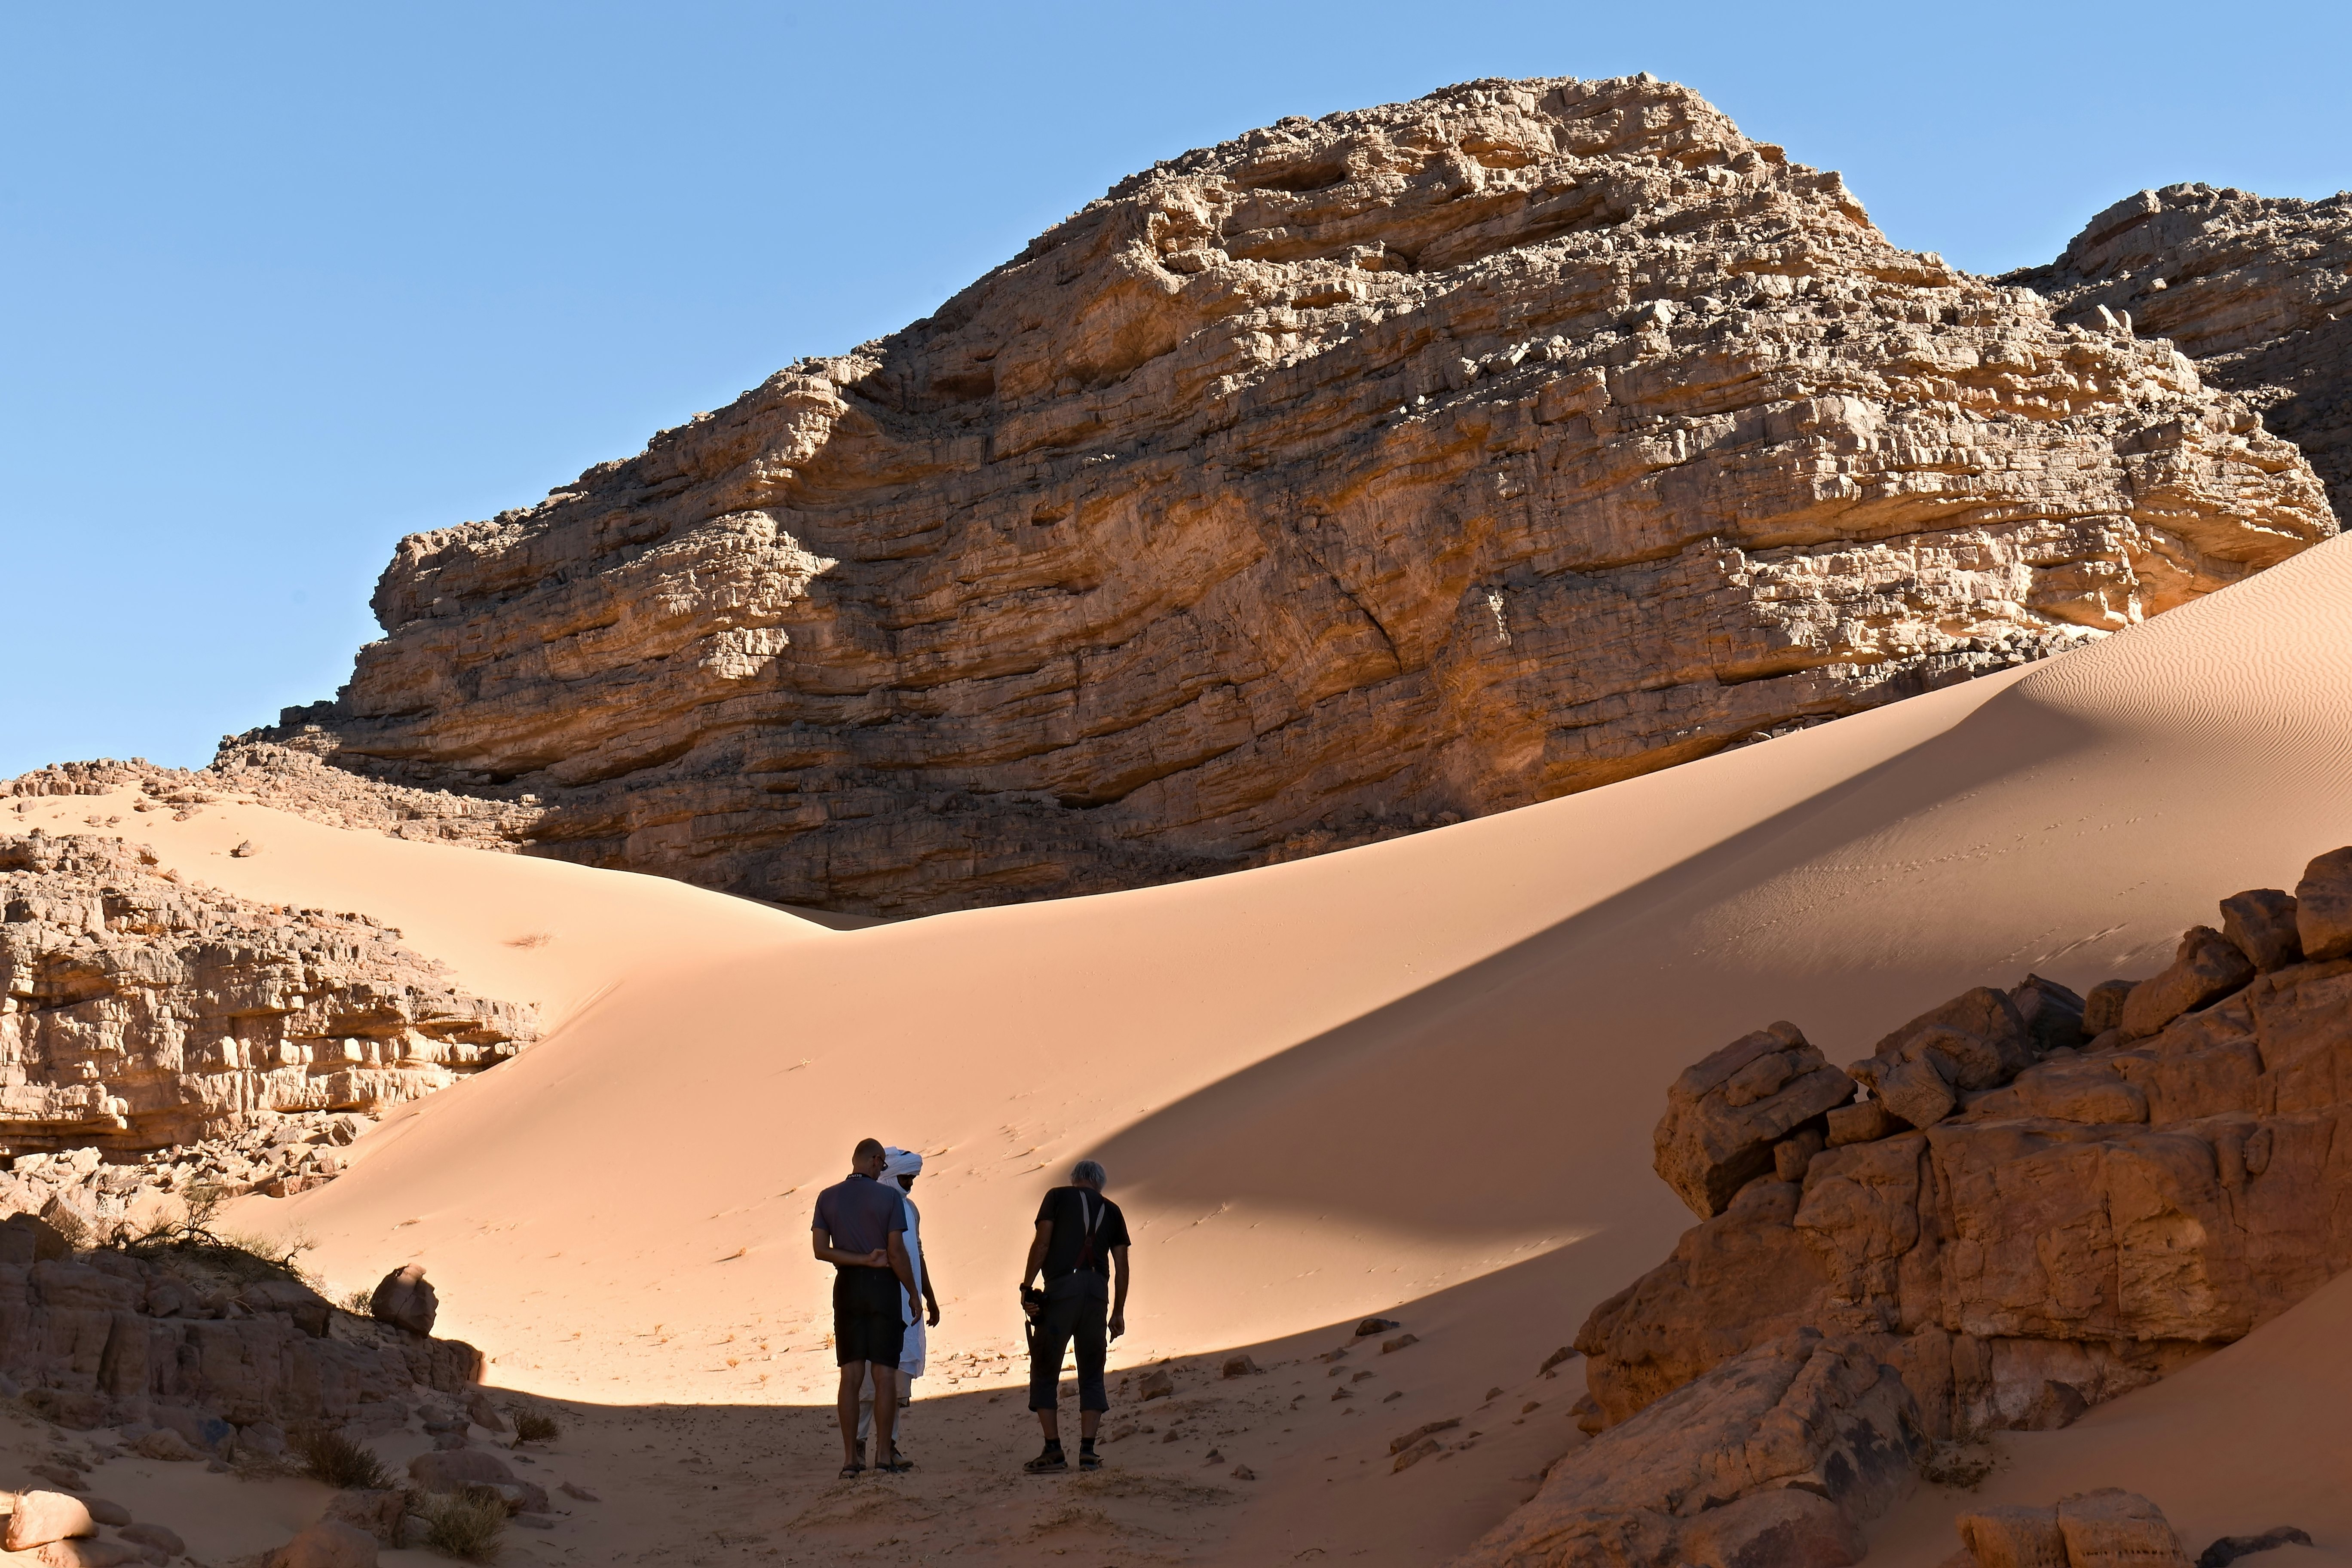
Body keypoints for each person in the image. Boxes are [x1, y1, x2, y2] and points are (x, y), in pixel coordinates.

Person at [811, 1137, 918, 1476]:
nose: (881, 1169)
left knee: (851, 1376)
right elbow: (897, 1252)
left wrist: (859, 1260)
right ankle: (884, 1457)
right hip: (882, 1288)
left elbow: (820, 1250)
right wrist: (913, 1292)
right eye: (882, 1164)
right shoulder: (889, 1198)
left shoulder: (827, 1197)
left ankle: (849, 1461)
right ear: (873, 1160)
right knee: (884, 1374)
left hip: (847, 1287)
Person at [1019, 1158, 1131, 1473]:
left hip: (1062, 1291)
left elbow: (1042, 1243)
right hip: (1097, 1294)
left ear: (1075, 1179)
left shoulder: (1057, 1197)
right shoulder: (1113, 1210)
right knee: (1093, 1370)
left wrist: (1027, 1286)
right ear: (1099, 1183)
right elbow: (1121, 1266)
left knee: (1045, 1366)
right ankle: (1088, 1452)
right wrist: (1118, 1311)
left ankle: (1053, 1449)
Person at [857, 1147, 942, 1461]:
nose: (910, 1184)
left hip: (907, 1306)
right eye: (906, 1178)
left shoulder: (911, 1210)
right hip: (875, 1301)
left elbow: (916, 1255)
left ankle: (889, 1447)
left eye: (913, 1178)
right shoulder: (869, 1207)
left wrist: (928, 1297)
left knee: (895, 1381)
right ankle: (859, 1446)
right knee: (868, 1383)